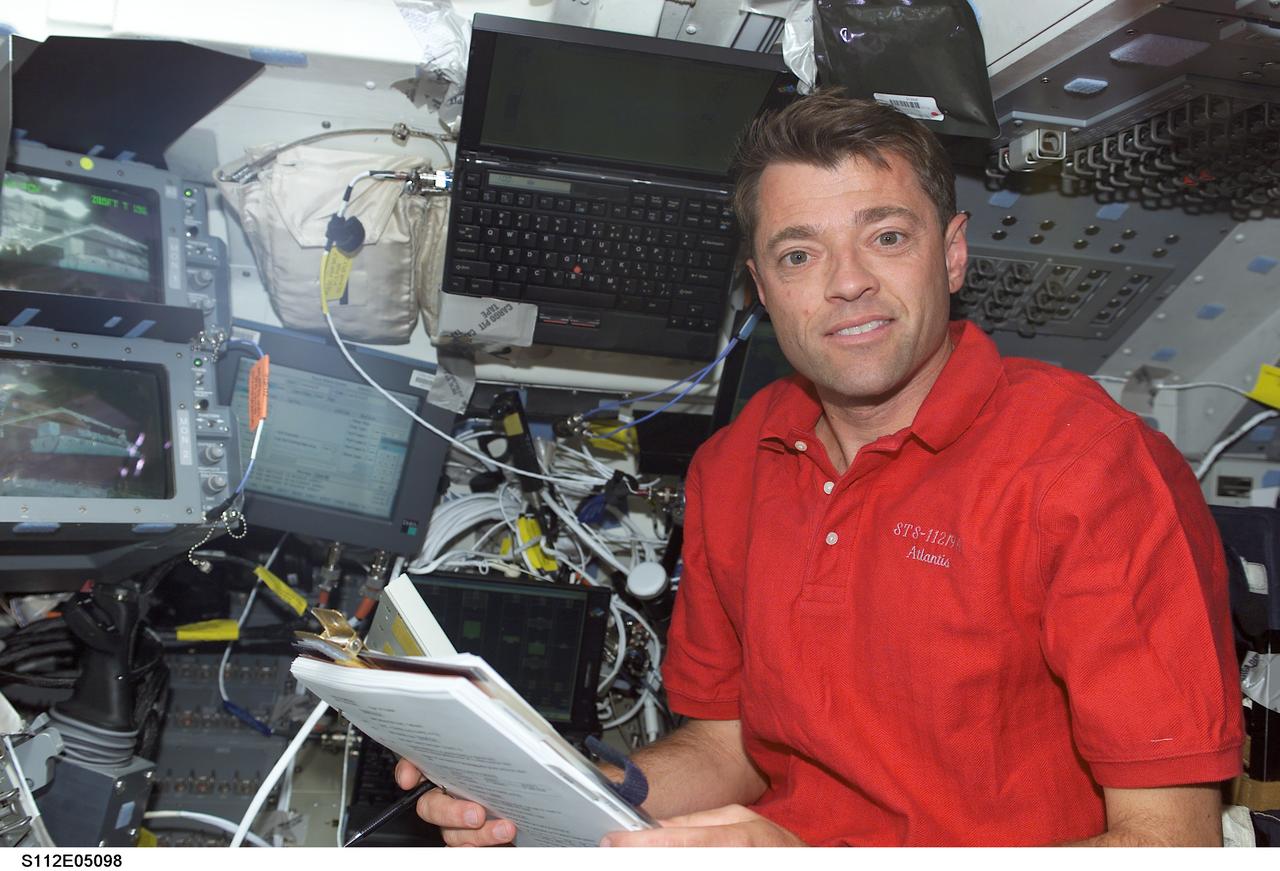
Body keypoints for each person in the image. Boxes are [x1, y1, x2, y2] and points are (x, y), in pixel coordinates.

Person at [395, 90, 1244, 846]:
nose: (848, 283)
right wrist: (564, 788)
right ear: (763, 287)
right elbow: (730, 747)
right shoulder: (733, 466)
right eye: (800, 254)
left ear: (951, 254)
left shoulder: (1090, 466)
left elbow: (1169, 839)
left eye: (886, 236)